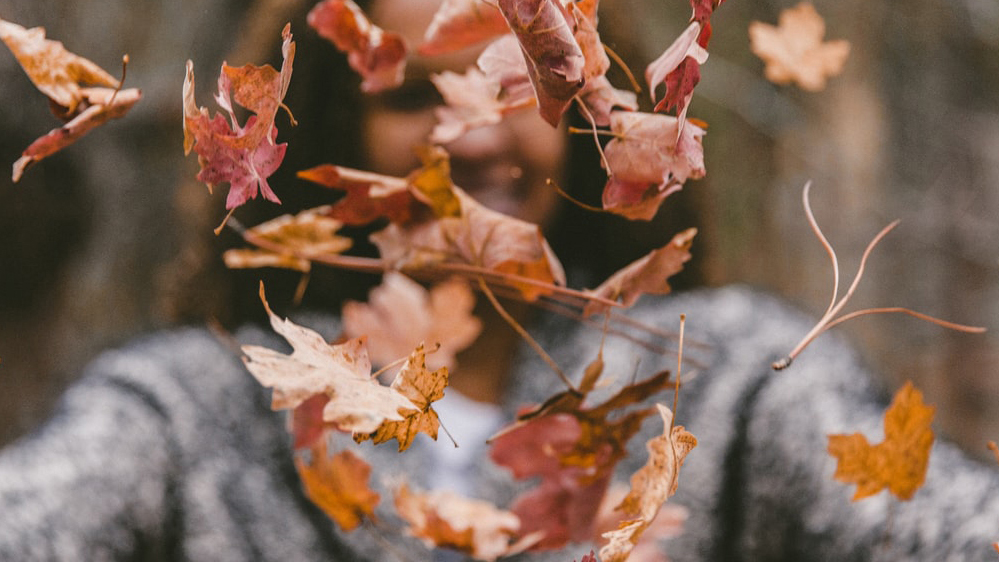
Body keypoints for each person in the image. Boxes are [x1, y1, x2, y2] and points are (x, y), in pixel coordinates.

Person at [1, 1, 997, 561]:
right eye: (417, 100)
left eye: (519, 87)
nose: (478, 135)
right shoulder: (201, 408)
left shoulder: (728, 378)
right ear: (337, 137)